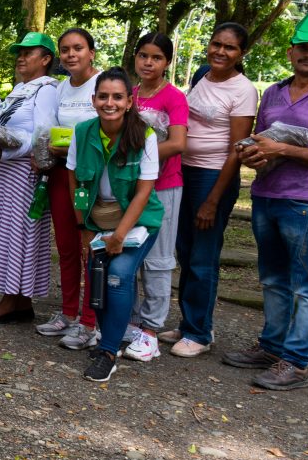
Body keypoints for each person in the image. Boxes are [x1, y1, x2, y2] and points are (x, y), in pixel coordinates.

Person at [225, 11, 308, 390]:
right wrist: (253, 152)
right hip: (266, 195)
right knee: (272, 279)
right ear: (291, 50)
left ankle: (296, 362)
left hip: (306, 202)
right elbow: (261, 139)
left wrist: (282, 146)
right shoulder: (273, 92)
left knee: (307, 284)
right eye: (303, 47)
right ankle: (271, 346)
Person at [161, 22, 256, 357]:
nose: (220, 51)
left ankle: (200, 333)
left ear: (241, 53)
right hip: (183, 171)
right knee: (185, 252)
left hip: (213, 176)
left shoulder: (244, 90)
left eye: (229, 47)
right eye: (216, 44)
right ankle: (190, 323)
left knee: (203, 255)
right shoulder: (202, 76)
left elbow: (237, 149)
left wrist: (213, 200)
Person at [66, 69, 163, 383]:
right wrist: (84, 228)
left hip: (138, 221)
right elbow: (74, 180)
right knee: (99, 277)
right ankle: (110, 340)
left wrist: (120, 236)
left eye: (117, 97)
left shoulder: (144, 136)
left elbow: (145, 191)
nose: (110, 103)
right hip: (97, 220)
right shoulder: (82, 132)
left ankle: (107, 353)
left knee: (119, 275)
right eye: (103, 96)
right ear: (93, 100)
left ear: (129, 101)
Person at [0, 32, 60, 323]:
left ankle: (15, 300)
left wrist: (5, 153)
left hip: (24, 172)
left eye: (29, 52)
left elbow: (42, 134)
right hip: (7, 171)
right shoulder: (21, 89)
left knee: (19, 233)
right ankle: (16, 300)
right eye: (19, 52)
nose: (21, 57)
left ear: (46, 59)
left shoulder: (45, 89)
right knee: (5, 232)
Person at [124, 32, 189, 361]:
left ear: (167, 62)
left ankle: (151, 328)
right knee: (130, 253)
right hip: (131, 187)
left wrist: (139, 158)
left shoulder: (174, 97)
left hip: (164, 187)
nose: (148, 62)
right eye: (143, 56)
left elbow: (178, 143)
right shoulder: (130, 94)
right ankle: (131, 321)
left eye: (157, 57)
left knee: (158, 259)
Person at [36, 28, 101, 349]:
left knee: (90, 247)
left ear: (91, 52)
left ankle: (90, 322)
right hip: (61, 175)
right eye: (65, 49)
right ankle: (67, 312)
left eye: (78, 48)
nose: (71, 54)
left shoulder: (103, 85)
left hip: (92, 178)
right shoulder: (61, 88)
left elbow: (110, 131)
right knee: (66, 247)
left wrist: (74, 148)